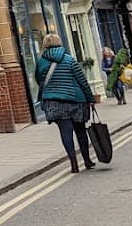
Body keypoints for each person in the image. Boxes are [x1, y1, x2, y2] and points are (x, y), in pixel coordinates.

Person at [36, 33, 99, 173]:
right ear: (60, 43)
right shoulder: (69, 60)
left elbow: (39, 80)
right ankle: (87, 160)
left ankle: (74, 163)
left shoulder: (41, 62)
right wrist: (91, 99)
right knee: (80, 131)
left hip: (54, 102)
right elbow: (82, 81)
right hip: (75, 100)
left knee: (66, 133)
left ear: (45, 45)